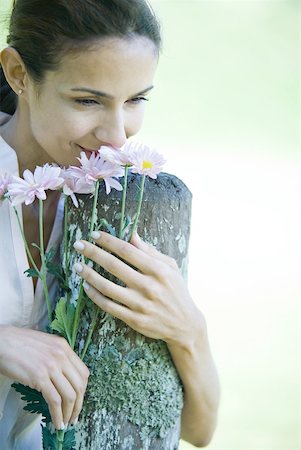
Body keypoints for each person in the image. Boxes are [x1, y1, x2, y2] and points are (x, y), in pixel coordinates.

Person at [0, 0, 220, 448]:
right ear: (18, 73)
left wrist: (189, 330)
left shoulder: (126, 207)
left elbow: (198, 431)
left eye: (136, 99)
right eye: (87, 100)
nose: (118, 136)